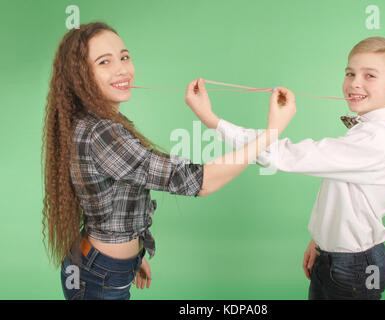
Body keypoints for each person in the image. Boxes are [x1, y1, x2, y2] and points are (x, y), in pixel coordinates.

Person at [41, 21, 296, 300]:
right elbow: (200, 181)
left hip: (103, 266)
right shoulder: (101, 133)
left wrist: (133, 257)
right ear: (80, 75)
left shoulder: (98, 122)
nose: (122, 69)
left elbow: (116, 199)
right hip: (100, 275)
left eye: (124, 57)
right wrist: (272, 131)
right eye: (104, 62)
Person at [190, 37, 385, 299]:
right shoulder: (369, 133)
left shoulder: (376, 140)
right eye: (350, 73)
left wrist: (213, 121)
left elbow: (284, 155)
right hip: (337, 257)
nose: (354, 83)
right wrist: (319, 241)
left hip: (355, 265)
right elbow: (346, 200)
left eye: (369, 75)